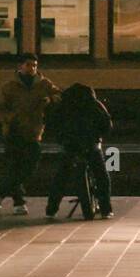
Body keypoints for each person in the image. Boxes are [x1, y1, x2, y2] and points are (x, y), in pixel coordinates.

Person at [0, 53, 60, 215]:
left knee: (29, 166)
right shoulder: (9, 87)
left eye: (35, 65)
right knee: (15, 166)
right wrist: (10, 119)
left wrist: (50, 100)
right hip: (14, 132)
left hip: (34, 131)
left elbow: (58, 95)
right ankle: (19, 202)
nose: (32, 68)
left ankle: (0, 191)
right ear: (20, 66)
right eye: (29, 65)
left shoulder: (44, 84)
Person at [44, 83, 114, 220]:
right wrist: (99, 137)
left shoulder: (63, 106)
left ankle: (51, 209)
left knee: (61, 177)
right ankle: (106, 209)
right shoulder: (95, 104)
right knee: (101, 176)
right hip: (91, 144)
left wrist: (61, 140)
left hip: (70, 145)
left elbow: (52, 123)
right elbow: (107, 123)